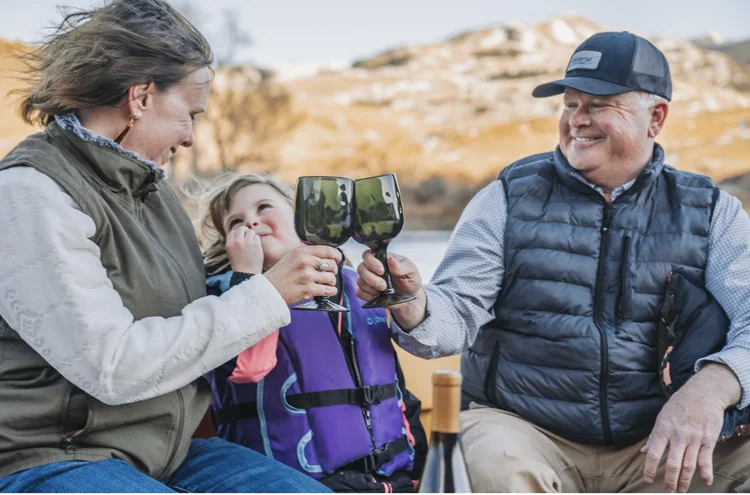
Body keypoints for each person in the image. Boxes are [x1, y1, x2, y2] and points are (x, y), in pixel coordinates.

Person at [356, 31, 750, 493]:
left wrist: (712, 388)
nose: (576, 121)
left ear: (656, 118)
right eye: (569, 104)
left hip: (658, 439)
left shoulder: (711, 210)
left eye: (599, 104)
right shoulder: (506, 197)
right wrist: (412, 303)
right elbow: (455, 315)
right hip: (523, 430)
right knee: (489, 465)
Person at [0, 1, 340, 492]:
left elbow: (196, 304)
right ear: (140, 98)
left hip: (167, 453)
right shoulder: (31, 195)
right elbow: (112, 366)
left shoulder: (153, 190)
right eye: (189, 113)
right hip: (53, 454)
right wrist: (268, 295)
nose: (190, 137)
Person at [195, 172, 428, 493]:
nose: (250, 222)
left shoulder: (357, 287)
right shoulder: (223, 299)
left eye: (263, 207)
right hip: (294, 481)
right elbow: (247, 369)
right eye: (236, 221)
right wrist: (247, 279)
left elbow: (398, 392)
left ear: (300, 216)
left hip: (391, 479)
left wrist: (419, 471)